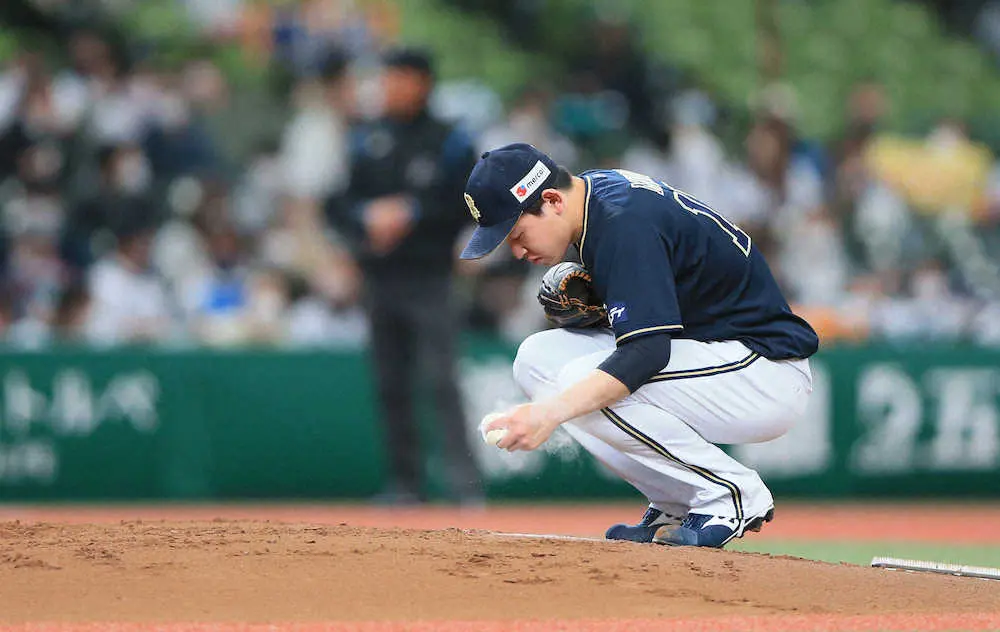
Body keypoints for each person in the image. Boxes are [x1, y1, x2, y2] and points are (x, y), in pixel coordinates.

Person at [462, 143, 818, 547]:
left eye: (517, 233)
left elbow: (647, 354)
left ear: (552, 200)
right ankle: (676, 500)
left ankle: (730, 494)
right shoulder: (597, 199)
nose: (517, 251)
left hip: (763, 370)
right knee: (536, 361)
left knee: (581, 382)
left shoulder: (621, 221)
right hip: (714, 354)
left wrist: (549, 414)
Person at [328, 47, 481, 505]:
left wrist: (411, 213)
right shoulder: (365, 136)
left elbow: (471, 202)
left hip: (430, 276)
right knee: (390, 382)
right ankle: (405, 484)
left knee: (441, 379)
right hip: (380, 276)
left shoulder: (450, 139)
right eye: (387, 77)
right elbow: (337, 202)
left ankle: (464, 486)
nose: (390, 86)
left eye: (399, 77)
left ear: (422, 82)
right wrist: (366, 218)